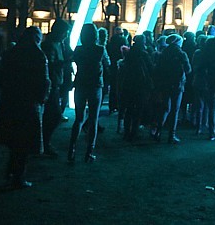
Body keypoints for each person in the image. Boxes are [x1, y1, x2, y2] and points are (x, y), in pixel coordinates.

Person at [0, 27, 50, 188]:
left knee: (13, 140)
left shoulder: (12, 52)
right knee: (24, 141)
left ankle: (10, 171)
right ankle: (18, 176)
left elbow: (2, 77)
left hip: (11, 101)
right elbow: (44, 80)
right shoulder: (38, 55)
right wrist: (42, 98)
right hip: (29, 103)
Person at [68, 24, 110, 163]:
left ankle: (71, 150)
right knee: (93, 119)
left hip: (80, 84)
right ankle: (89, 152)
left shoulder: (78, 50)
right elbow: (107, 64)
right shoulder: (100, 49)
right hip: (95, 85)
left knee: (79, 118)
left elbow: (71, 62)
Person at [40, 19, 72, 156]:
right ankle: (44, 143)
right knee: (54, 115)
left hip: (56, 83)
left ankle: (43, 143)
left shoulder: (59, 43)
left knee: (50, 116)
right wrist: (64, 63)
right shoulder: (50, 45)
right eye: (65, 32)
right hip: (51, 84)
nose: (66, 35)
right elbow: (49, 65)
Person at [154, 34, 192, 143]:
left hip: (165, 83)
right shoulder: (181, 54)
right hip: (177, 83)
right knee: (175, 109)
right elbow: (188, 69)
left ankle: (158, 131)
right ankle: (172, 135)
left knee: (165, 108)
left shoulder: (163, 53)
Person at [118, 35, 153, 141]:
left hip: (128, 83)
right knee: (138, 109)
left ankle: (126, 131)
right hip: (140, 84)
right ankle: (134, 132)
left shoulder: (129, 53)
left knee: (129, 109)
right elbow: (150, 68)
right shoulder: (143, 54)